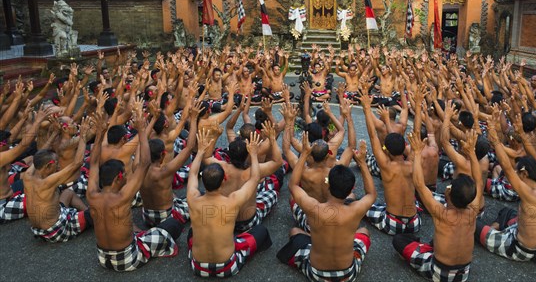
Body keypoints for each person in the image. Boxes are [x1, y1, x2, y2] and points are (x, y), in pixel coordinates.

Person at [87, 104, 184, 271]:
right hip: (127, 259)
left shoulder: (91, 194)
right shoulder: (123, 196)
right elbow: (145, 163)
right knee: (174, 226)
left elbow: (94, 162)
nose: (126, 176)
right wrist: (140, 130)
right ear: (118, 178)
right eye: (124, 174)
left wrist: (100, 134)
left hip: (103, 259)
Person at [277, 137, 376, 282]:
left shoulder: (313, 207)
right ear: (350, 191)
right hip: (347, 274)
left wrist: (304, 154)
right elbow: (372, 193)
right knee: (364, 232)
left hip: (317, 274)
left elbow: (293, 186)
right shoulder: (356, 209)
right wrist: (362, 163)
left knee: (295, 231)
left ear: (329, 186)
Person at [395, 131, 481, 282]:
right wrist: (472, 153)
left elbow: (420, 185)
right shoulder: (473, 210)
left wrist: (416, 152)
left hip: (439, 272)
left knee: (399, 240)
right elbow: (479, 182)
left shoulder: (441, 213)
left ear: (449, 193)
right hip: (464, 273)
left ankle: (423, 252)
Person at [187, 130, 272, 277]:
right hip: (227, 267)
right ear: (223, 180)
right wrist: (253, 154)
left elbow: (193, 173)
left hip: (197, 267)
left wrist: (200, 151)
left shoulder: (192, 198)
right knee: (261, 231)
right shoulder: (232, 201)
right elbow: (254, 178)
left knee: (191, 232)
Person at [476, 108, 536, 262]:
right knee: (507, 212)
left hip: (519, 249)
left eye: (519, 173)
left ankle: (491, 235)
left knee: (470, 223)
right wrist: (523, 135)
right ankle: (494, 230)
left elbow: (508, 168)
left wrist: (494, 138)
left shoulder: (529, 194)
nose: (516, 175)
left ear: (524, 173)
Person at [22, 116, 93, 242]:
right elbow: (77, 163)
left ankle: (86, 213)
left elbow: (42, 151)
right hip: (55, 230)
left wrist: (54, 133)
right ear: (48, 165)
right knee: (99, 212)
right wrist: (83, 135)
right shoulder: (48, 182)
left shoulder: (28, 175)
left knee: (68, 192)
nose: (59, 165)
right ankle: (89, 216)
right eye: (56, 163)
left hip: (38, 230)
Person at [360, 91, 420, 235]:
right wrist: (417, 106)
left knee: (359, 204)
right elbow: (416, 132)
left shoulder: (385, 165)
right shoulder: (412, 160)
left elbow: (372, 136)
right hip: (415, 223)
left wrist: (367, 108)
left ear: (387, 150)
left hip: (392, 223)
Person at [0, 107, 51, 223]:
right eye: (6, 143)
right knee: (45, 196)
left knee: (40, 183)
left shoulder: (2, 150)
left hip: (11, 192)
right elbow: (22, 146)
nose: (9, 143)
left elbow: (10, 136)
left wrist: (23, 118)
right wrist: (37, 121)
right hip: (3, 207)